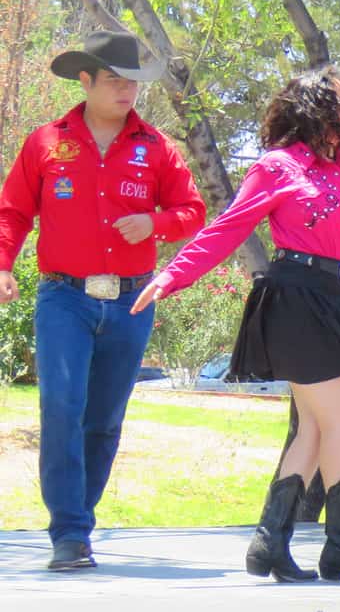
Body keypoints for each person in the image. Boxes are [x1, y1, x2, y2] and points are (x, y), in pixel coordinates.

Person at [132, 67, 340, 582]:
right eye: (339, 103)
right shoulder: (280, 166)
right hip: (293, 300)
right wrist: (173, 274)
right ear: (313, 109)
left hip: (330, 302)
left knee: (316, 429)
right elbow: (228, 227)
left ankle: (269, 544)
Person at [0, 31, 207, 571]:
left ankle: (80, 522)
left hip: (131, 303)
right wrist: (2, 263)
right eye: (114, 79)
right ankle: (68, 533)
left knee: (104, 419)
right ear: (84, 80)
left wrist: (155, 223)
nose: (126, 91)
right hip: (63, 297)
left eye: (132, 81)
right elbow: (13, 211)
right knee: (61, 408)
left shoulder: (157, 147)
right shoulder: (46, 142)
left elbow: (192, 212)